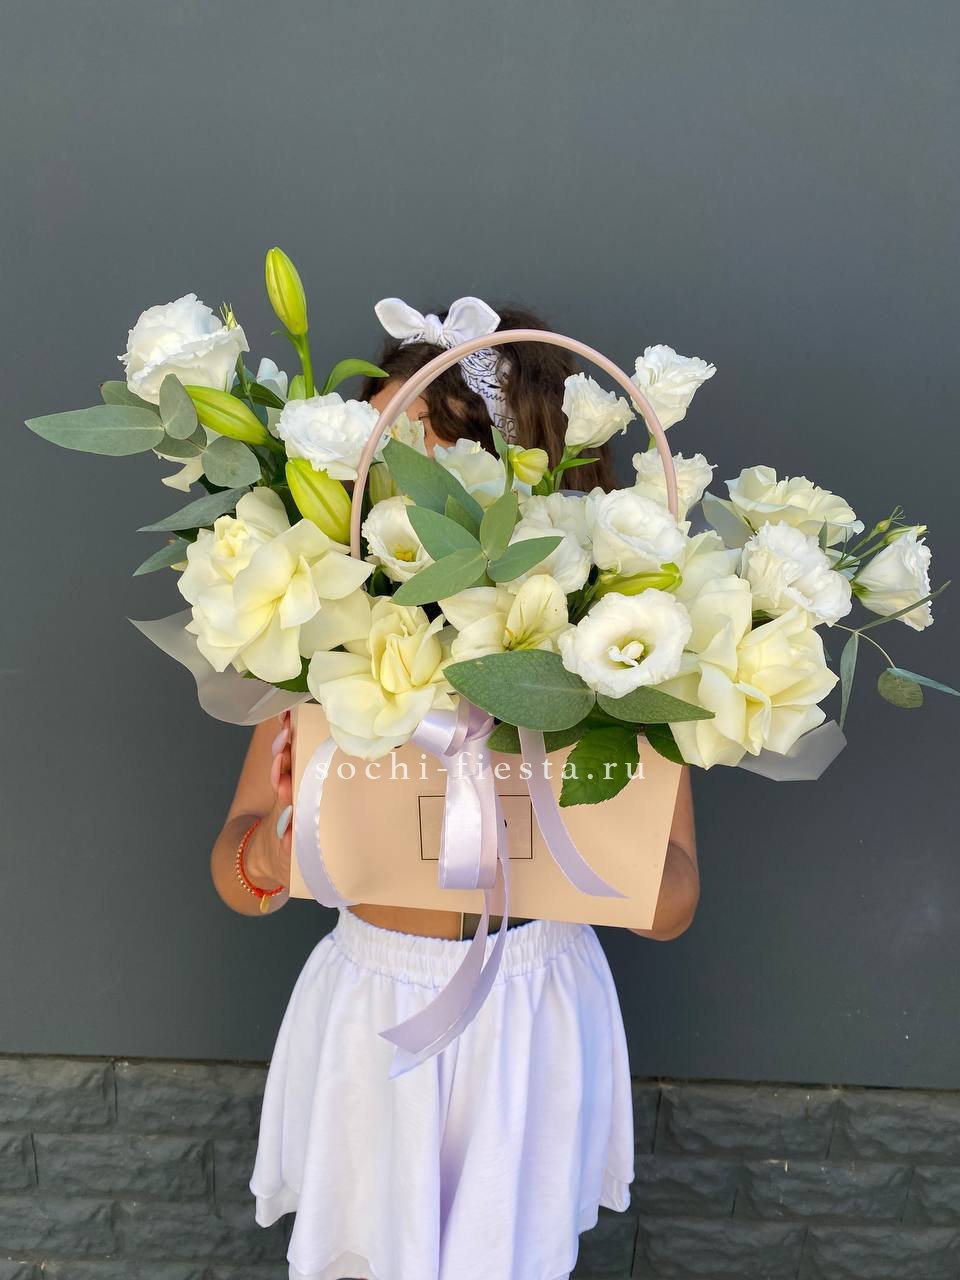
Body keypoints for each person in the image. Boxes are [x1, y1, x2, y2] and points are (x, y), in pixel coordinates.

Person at [209, 298, 700, 1280]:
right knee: (363, 1250)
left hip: (531, 1005)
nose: (389, 476)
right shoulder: (329, 650)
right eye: (377, 451)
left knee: (505, 1251)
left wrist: (594, 807)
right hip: (371, 1003)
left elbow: (674, 902)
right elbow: (239, 870)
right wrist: (281, 836)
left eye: (424, 450)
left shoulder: (610, 657)